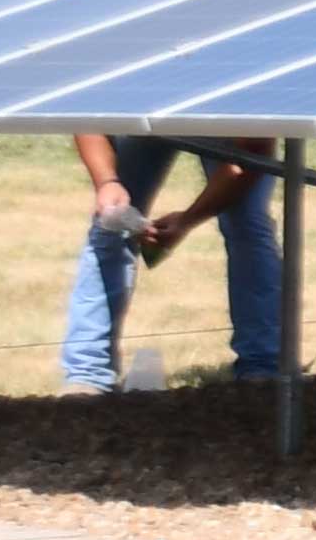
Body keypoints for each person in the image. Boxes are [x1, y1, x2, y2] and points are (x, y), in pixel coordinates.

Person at [62, 131, 282, 395]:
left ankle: (262, 369)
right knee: (110, 226)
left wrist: (188, 219)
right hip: (144, 119)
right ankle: (87, 375)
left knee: (247, 224)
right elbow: (90, 120)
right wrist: (107, 182)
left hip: (227, 123)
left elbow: (251, 154)